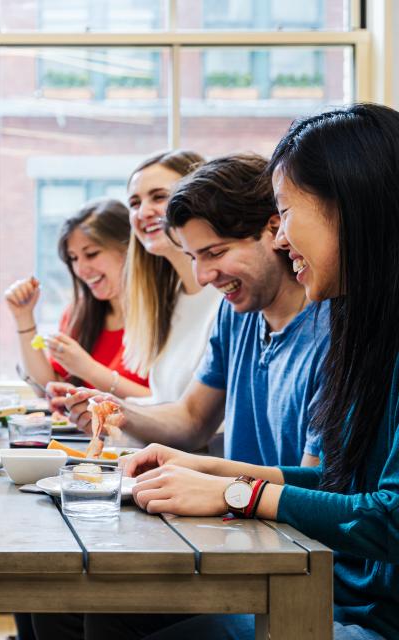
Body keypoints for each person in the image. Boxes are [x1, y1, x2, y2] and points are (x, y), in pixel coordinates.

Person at [85, 102, 399, 640]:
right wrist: (210, 472)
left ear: (350, 206)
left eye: (288, 214)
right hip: (339, 594)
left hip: (363, 615)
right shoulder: (365, 328)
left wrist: (241, 493)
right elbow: (336, 483)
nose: (281, 238)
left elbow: (387, 518)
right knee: (95, 605)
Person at [57, 154, 325, 468]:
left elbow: (313, 483)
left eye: (215, 252)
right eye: (193, 257)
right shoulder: (235, 315)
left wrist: (206, 476)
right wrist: (118, 410)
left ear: (274, 230)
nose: (202, 276)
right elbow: (193, 419)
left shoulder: (330, 329)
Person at [5, 198, 150, 399]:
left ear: (130, 249)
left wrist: (87, 368)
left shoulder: (161, 318)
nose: (80, 269)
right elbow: (48, 386)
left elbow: (166, 407)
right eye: (73, 258)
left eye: (91, 254)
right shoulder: (79, 313)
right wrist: (23, 317)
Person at [123, 150, 222, 404]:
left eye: (158, 197)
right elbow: (167, 403)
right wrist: (106, 406)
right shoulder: (172, 299)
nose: (143, 212)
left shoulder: (227, 297)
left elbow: (199, 423)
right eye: (134, 203)